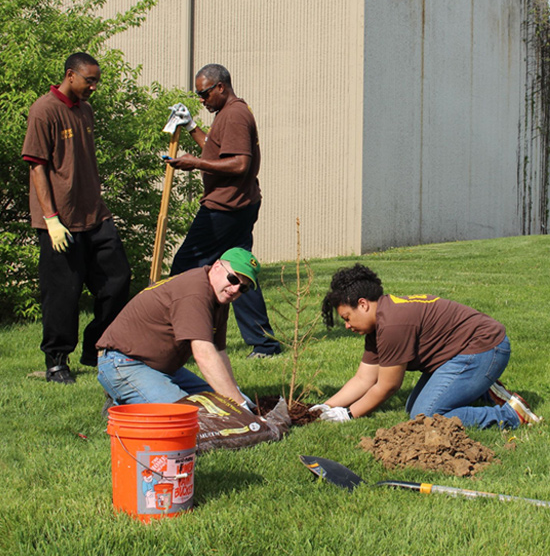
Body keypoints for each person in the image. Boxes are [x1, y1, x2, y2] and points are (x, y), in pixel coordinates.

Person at [310, 264, 541, 429]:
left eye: (347, 317)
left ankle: (510, 415)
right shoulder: (379, 322)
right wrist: (325, 406)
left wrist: (349, 414)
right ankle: (484, 388)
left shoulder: (392, 324)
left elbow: (388, 386)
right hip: (461, 353)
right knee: (413, 407)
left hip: (485, 349)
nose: (347, 325)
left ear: (363, 305)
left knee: (426, 416)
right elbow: (364, 379)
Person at [22, 52, 131, 385]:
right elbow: (37, 166)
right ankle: (56, 361)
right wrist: (51, 219)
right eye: (89, 80)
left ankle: (95, 346)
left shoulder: (85, 110)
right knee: (62, 295)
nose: (94, 87)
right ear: (71, 75)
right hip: (61, 221)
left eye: (97, 81)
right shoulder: (44, 110)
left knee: (118, 280)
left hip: (94, 214)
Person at [167, 64, 280, 359]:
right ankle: (265, 344)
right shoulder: (226, 114)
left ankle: (174, 340)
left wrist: (196, 164)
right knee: (239, 271)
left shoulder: (235, 115)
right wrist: (192, 128)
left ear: (221, 87)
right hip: (238, 204)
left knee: (184, 269)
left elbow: (239, 163)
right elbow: (216, 150)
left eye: (204, 94)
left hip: (225, 208)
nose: (201, 100)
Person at [96, 248, 259, 407]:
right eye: (233, 278)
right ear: (217, 266)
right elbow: (204, 354)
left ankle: (131, 398)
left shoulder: (219, 297)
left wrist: (235, 396)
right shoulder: (195, 293)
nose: (236, 289)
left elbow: (219, 352)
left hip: (164, 368)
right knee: (190, 416)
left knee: (220, 407)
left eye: (243, 288)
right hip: (125, 362)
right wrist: (240, 405)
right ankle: (125, 396)